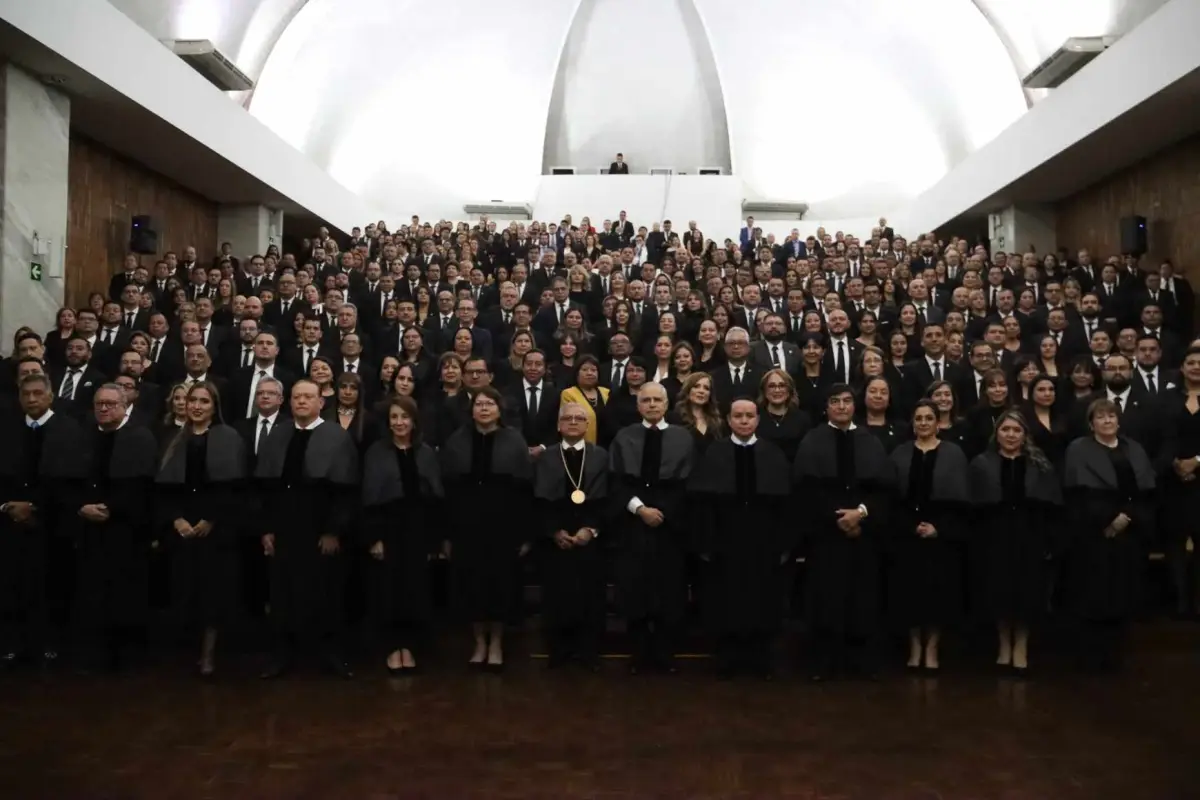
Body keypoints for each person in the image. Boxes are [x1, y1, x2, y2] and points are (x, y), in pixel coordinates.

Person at [256, 379, 360, 679]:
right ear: (289, 402)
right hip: (284, 528)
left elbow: (346, 491)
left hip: (320, 529)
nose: (301, 401)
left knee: (326, 592)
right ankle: (282, 653)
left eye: (308, 397)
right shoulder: (279, 435)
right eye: (296, 396)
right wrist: (267, 528)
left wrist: (333, 531)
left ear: (320, 403)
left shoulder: (336, 436)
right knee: (282, 594)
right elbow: (265, 488)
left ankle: (330, 653)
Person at [793, 383, 894, 680]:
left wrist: (860, 514)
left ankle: (860, 660)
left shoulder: (870, 440)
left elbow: (884, 489)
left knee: (862, 599)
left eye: (846, 401)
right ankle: (824, 662)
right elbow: (806, 490)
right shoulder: (812, 441)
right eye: (834, 401)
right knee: (826, 599)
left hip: (863, 534)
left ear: (854, 406)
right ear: (826, 407)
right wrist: (838, 518)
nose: (840, 406)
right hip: (826, 536)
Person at [689, 399, 792, 679]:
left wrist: (784, 544)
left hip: (764, 542)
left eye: (749, 416)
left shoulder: (773, 454)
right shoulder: (715, 452)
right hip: (725, 541)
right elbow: (703, 503)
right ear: (729, 420)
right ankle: (727, 659)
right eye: (738, 416)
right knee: (726, 601)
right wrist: (706, 542)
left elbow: (785, 506)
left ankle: (761, 659)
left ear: (758, 420)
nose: (744, 421)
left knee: (763, 601)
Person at [155, 382, 246, 677]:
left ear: (214, 406)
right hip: (181, 526)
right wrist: (176, 519)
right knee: (184, 590)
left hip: (215, 529)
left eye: (203, 401)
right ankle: (186, 654)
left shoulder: (229, 437)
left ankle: (209, 656)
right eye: (192, 400)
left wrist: (211, 519)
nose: (196, 406)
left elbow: (234, 487)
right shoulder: (173, 439)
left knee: (213, 594)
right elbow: (163, 488)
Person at [439, 386, 533, 671]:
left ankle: (497, 643)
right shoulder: (456, 441)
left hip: (504, 528)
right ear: (471, 410)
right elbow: (447, 491)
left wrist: (525, 534)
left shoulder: (514, 440)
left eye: (489, 404)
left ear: (499, 409)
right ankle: (480, 642)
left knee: (500, 586)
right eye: (479, 404)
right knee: (472, 587)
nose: (483, 408)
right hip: (466, 528)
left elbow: (525, 490)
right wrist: (446, 534)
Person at [1063, 398, 1157, 671]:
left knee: (1123, 592)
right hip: (1093, 535)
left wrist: (1126, 517)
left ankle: (1117, 654)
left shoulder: (1134, 449)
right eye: (1100, 417)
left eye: (1111, 416)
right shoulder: (1078, 450)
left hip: (1129, 532)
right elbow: (1078, 495)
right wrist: (1107, 519)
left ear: (1118, 420)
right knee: (1094, 594)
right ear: (1091, 423)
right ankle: (1092, 656)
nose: (1107, 421)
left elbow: (1145, 492)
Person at [0, 374, 86, 668]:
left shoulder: (68, 429)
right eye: (27, 394)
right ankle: (14, 643)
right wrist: (8, 506)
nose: (33, 399)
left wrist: (34, 507)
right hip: (10, 524)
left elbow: (72, 480)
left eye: (38, 393)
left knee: (51, 585)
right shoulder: (8, 429)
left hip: (52, 525)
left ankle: (49, 643)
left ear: (50, 397)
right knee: (12, 585)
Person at [609, 382, 695, 674]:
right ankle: (639, 653)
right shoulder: (624, 437)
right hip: (634, 527)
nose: (652, 404)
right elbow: (617, 481)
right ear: (638, 405)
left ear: (667, 403)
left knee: (668, 590)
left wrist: (664, 512)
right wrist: (640, 509)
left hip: (670, 529)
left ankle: (664, 653)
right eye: (646, 400)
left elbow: (687, 483)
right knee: (636, 589)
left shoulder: (683, 438)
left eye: (658, 399)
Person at [70, 383, 156, 673]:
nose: (103, 409)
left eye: (110, 404)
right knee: (93, 593)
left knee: (126, 594)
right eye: (99, 404)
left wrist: (110, 509)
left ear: (124, 406)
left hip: (126, 532)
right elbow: (72, 481)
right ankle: (98, 653)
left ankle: (128, 656)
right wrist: (82, 506)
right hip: (90, 531)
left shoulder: (140, 437)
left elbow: (142, 487)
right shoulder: (84, 438)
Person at [969, 409, 1062, 676]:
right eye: (1005, 430)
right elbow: (974, 508)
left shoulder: (1039, 464)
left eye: (1016, 430)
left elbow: (1051, 508)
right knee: (999, 596)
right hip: (994, 539)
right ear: (996, 434)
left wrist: (1048, 542)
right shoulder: (980, 464)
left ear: (1025, 435)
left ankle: (1020, 647)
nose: (1011, 435)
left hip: (1029, 538)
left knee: (1026, 596)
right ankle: (1003, 646)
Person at [361, 395, 442, 675]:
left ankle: (409, 646)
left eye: (404, 417)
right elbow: (369, 498)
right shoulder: (376, 452)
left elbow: (434, 500)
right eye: (394, 417)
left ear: (414, 421)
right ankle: (392, 647)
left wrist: (434, 540)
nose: (399, 422)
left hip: (417, 530)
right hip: (388, 530)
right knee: (388, 590)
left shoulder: (426, 452)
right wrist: (375, 538)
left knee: (415, 590)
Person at [888, 400, 970, 673]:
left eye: (928, 418)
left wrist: (938, 528)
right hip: (907, 533)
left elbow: (960, 501)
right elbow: (892, 499)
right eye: (918, 419)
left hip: (941, 535)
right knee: (909, 594)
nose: (923, 423)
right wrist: (911, 527)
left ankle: (932, 647)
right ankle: (914, 648)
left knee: (938, 596)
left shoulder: (954, 453)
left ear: (938, 423)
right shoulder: (900, 453)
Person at [533, 402, 610, 671]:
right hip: (557, 539)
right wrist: (554, 531)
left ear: (588, 425)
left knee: (590, 595)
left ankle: (588, 651)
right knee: (557, 595)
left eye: (580, 418)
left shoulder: (601, 456)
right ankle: (559, 651)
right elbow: (539, 501)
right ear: (558, 425)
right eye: (568, 418)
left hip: (590, 537)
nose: (574, 422)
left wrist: (591, 529)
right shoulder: (547, 457)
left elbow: (605, 500)